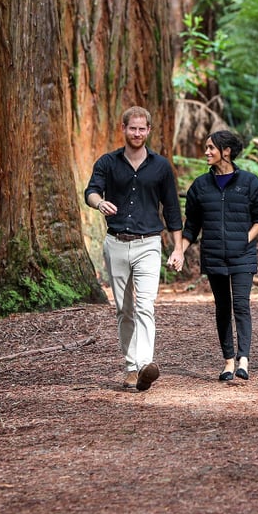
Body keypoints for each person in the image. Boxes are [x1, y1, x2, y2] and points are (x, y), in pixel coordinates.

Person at [85, 106, 183, 391]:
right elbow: (91, 191)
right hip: (116, 243)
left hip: (149, 244)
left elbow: (173, 209)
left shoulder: (161, 166)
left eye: (142, 129)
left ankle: (144, 365)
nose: (137, 133)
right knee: (124, 309)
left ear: (148, 131)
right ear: (124, 129)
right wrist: (99, 203)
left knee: (145, 306)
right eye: (133, 128)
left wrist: (178, 249)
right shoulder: (108, 162)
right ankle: (130, 366)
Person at [167, 130, 258, 381]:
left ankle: (243, 359)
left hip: (243, 256)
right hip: (213, 256)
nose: (207, 152)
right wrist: (179, 250)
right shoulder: (200, 186)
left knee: (241, 305)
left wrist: (244, 239)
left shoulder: (250, 183)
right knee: (223, 307)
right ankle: (227, 362)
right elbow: (191, 226)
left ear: (226, 151)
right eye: (206, 147)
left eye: (211, 147)